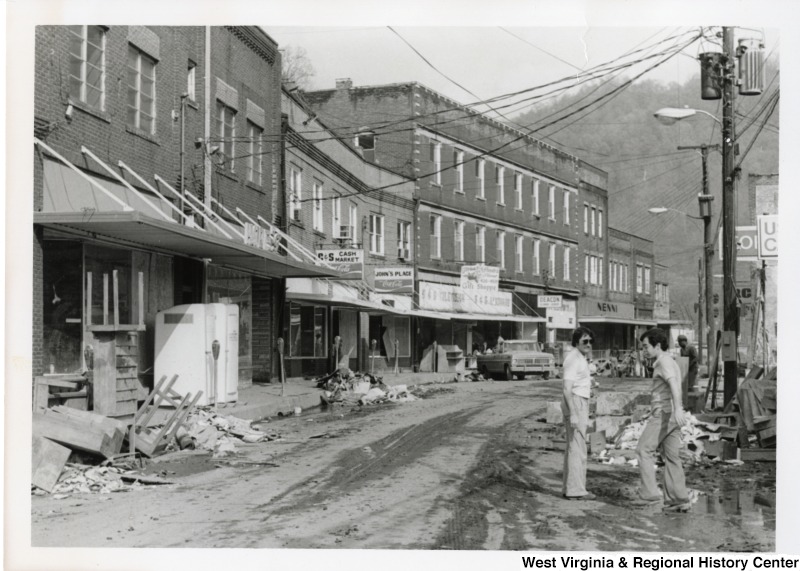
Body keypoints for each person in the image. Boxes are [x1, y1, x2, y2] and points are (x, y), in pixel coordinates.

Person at [634, 328, 691, 512]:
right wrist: (678, 410)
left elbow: (674, 384)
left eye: (646, 346)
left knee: (643, 450)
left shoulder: (663, 362)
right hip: (672, 415)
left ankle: (649, 495)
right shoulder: (671, 361)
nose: (644, 351)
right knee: (672, 456)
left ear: (657, 345)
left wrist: (678, 408)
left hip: (663, 414)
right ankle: (678, 499)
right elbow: (676, 384)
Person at [561, 326, 597, 500]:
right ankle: (576, 490)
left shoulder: (580, 357)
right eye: (585, 341)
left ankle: (570, 488)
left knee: (573, 447)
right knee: (578, 448)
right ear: (576, 341)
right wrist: (574, 413)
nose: (588, 344)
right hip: (575, 402)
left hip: (580, 400)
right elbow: (567, 389)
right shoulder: (573, 358)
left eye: (590, 341)